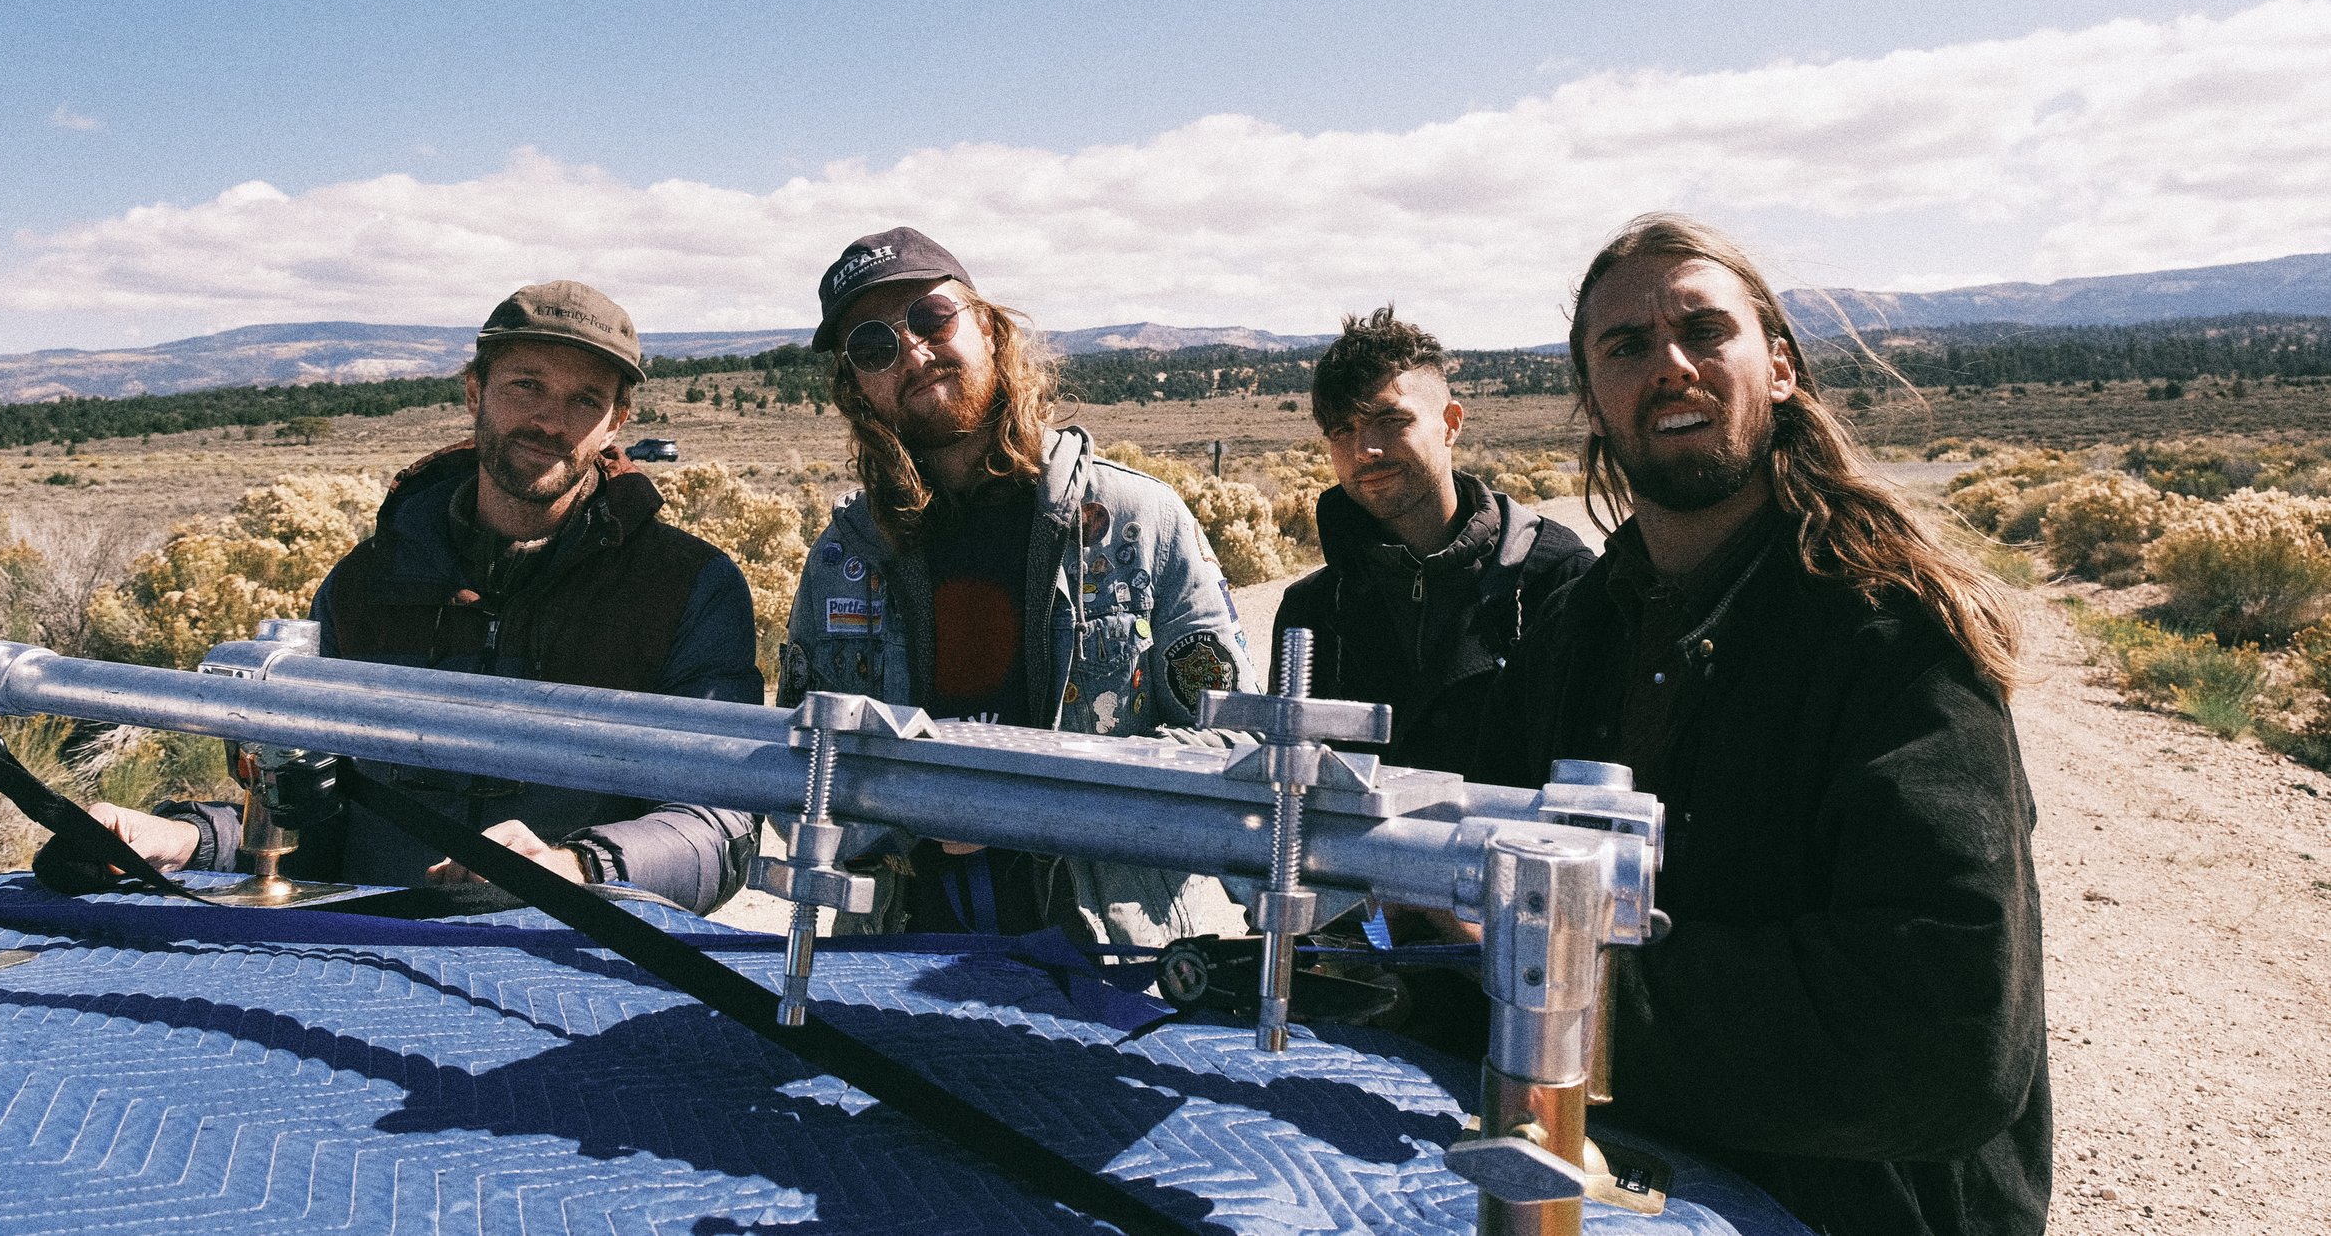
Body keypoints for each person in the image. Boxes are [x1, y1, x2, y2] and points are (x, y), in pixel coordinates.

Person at [1475, 215, 2049, 1236]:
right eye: (1626, 347)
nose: (1672, 366)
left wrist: (1568, 1004)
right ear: (1592, 402)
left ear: (1776, 368)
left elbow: (1943, 1029)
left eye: (1705, 330)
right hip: (1629, 1180)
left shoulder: (1885, 630)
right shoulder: (1575, 633)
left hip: (1859, 1206)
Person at [87, 281, 762, 912]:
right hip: (364, 953)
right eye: (526, 385)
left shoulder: (685, 588)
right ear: (475, 393)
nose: (551, 420)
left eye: (585, 399)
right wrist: (181, 838)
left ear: (617, 421)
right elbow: (314, 812)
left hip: (579, 959)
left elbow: (721, 824)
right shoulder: (367, 582)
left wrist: (574, 868)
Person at [782, 226, 1251, 944]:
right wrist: (908, 806)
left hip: (1112, 960)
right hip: (892, 955)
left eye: (931, 318)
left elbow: (1239, 746)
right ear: (858, 389)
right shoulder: (845, 560)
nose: (911, 349)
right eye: (874, 346)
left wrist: (1032, 799)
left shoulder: (1136, 525)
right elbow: (793, 776)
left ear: (992, 330)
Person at [1275, 306, 1591, 775]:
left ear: (1451, 423)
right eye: (1343, 430)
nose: (1366, 450)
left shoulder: (1556, 580)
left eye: (1392, 419)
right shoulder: (1313, 611)